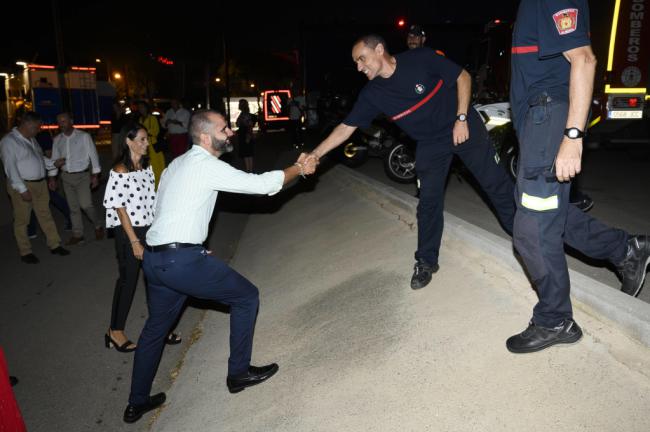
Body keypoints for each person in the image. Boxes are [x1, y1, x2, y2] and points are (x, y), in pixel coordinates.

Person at [123, 110, 316, 423]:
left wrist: (189, 243)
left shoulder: (177, 164)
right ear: (204, 136)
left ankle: (137, 402)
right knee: (246, 297)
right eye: (224, 129)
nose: (230, 132)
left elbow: (162, 208)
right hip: (180, 260)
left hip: (155, 260)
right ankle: (238, 373)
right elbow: (262, 185)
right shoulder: (206, 165)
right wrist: (299, 168)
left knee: (155, 330)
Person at [309, 34, 515, 290]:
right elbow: (346, 127)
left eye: (361, 59)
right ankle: (426, 261)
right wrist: (315, 154)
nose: (359, 67)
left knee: (495, 184)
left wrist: (461, 118)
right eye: (356, 63)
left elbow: (462, 77)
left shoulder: (420, 58)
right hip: (430, 143)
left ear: (380, 50)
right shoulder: (372, 94)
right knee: (428, 203)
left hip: (462, 125)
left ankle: (523, 235)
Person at [506, 0, 650, 354]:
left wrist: (573, 136)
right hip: (537, 120)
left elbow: (584, 59)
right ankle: (626, 249)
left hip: (548, 115)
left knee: (531, 230)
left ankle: (555, 320)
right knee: (553, 215)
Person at [103, 123, 181, 353]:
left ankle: (160, 328)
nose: (147, 144)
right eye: (142, 140)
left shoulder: (146, 168)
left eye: (147, 139)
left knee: (155, 279)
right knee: (128, 281)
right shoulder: (119, 171)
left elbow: (152, 201)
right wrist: (135, 241)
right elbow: (119, 209)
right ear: (129, 142)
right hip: (129, 232)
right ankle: (115, 331)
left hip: (148, 228)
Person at [0, 111, 70, 263]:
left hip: (40, 183)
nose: (39, 130)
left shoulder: (31, 139)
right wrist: (22, 189)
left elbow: (40, 159)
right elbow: (10, 168)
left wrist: (53, 164)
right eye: (37, 127)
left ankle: (54, 244)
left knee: (45, 215)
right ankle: (25, 252)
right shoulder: (9, 141)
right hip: (23, 184)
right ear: (27, 124)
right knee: (22, 220)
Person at [51, 112, 104, 245]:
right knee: (73, 207)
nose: (61, 124)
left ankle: (98, 225)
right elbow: (54, 160)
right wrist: (52, 177)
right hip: (66, 176)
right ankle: (78, 234)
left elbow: (93, 155)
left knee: (85, 204)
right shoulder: (57, 140)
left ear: (71, 121)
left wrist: (95, 175)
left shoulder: (84, 136)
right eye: (59, 122)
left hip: (82, 176)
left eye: (64, 121)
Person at [137, 101, 165, 187]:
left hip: (153, 146)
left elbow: (156, 131)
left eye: (142, 107)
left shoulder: (152, 118)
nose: (141, 109)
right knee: (146, 166)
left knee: (156, 167)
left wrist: (145, 131)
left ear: (146, 108)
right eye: (139, 107)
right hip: (143, 146)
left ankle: (158, 186)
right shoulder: (140, 119)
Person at [235, 99, 255, 172]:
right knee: (248, 153)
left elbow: (249, 125)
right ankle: (250, 170)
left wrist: (248, 136)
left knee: (246, 153)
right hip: (245, 134)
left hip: (245, 134)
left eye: (239, 104)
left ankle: (249, 170)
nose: (238, 105)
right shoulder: (245, 113)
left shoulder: (244, 114)